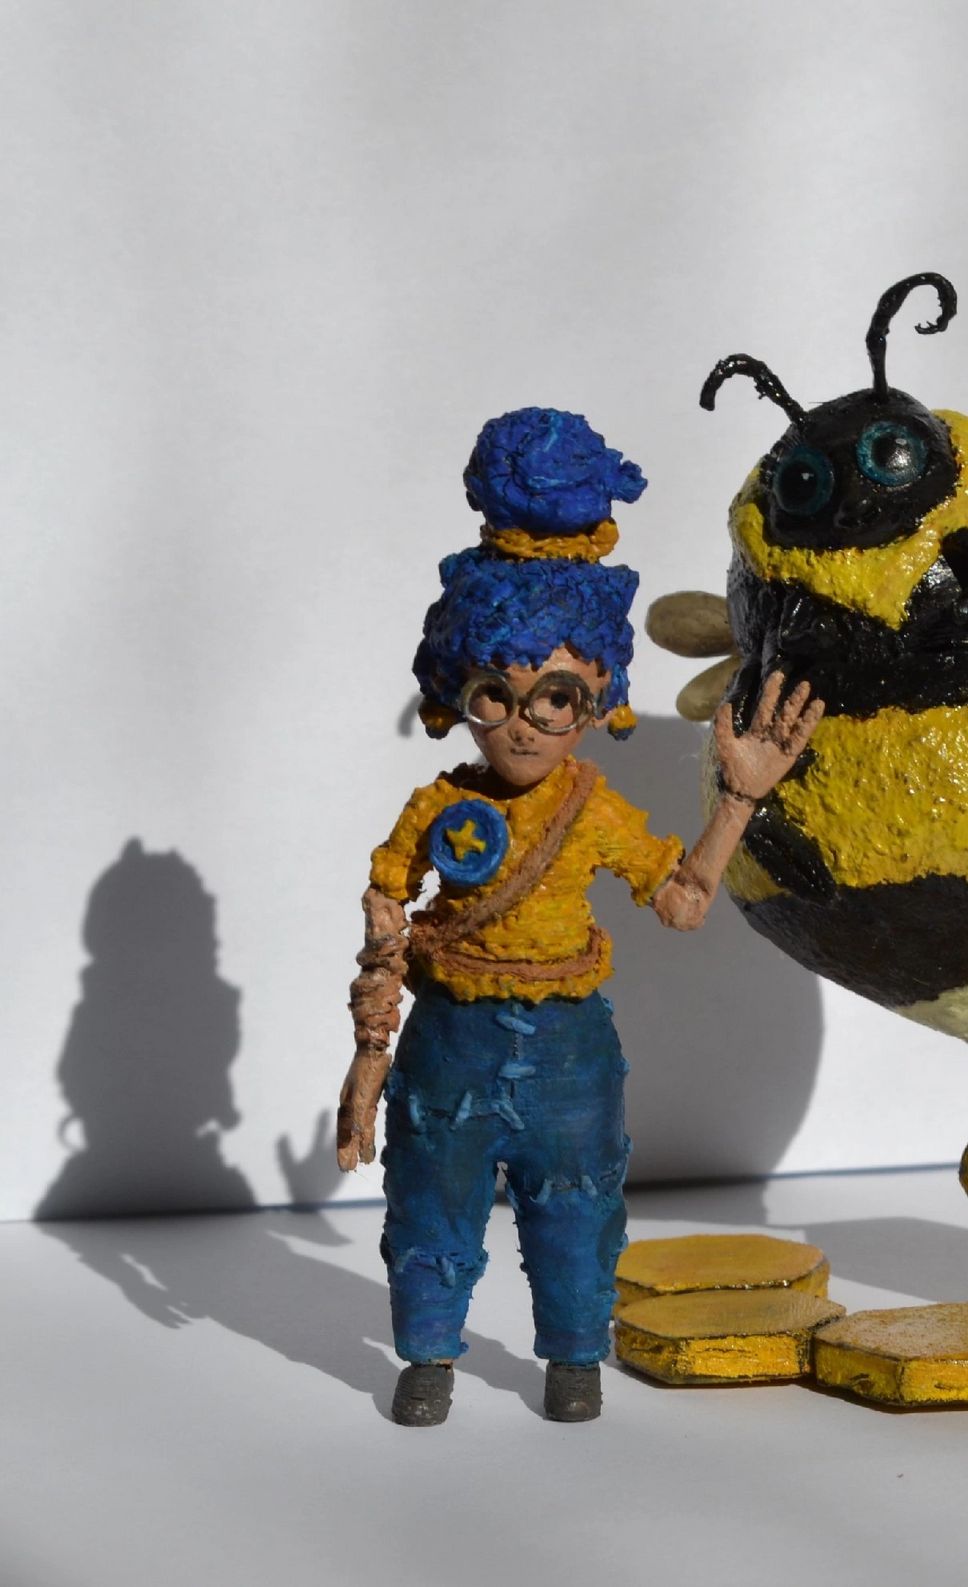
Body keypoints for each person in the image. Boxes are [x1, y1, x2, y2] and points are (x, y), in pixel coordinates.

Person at [335, 407, 822, 1426]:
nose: (523, 726)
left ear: (599, 695)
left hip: (568, 1053)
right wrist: (370, 1058)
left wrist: (740, 797)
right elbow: (387, 911)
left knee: (578, 1210)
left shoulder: (593, 812)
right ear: (454, 693)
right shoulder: (434, 808)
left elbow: (682, 900)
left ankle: (572, 1358)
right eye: (494, 694)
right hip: (449, 1045)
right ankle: (428, 1356)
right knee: (429, 1210)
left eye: (554, 698)